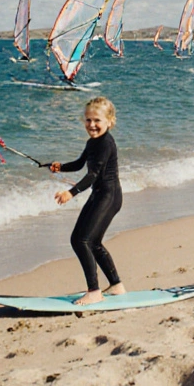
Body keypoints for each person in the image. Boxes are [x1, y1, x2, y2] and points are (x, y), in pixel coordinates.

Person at [50, 97, 127, 306]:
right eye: (88, 120)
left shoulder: (106, 144)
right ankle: (116, 285)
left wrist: (71, 193)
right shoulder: (92, 142)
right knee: (90, 242)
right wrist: (59, 167)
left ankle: (94, 291)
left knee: (81, 241)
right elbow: (79, 164)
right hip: (101, 195)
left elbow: (92, 174)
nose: (92, 125)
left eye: (97, 120)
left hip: (109, 196)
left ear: (110, 121)